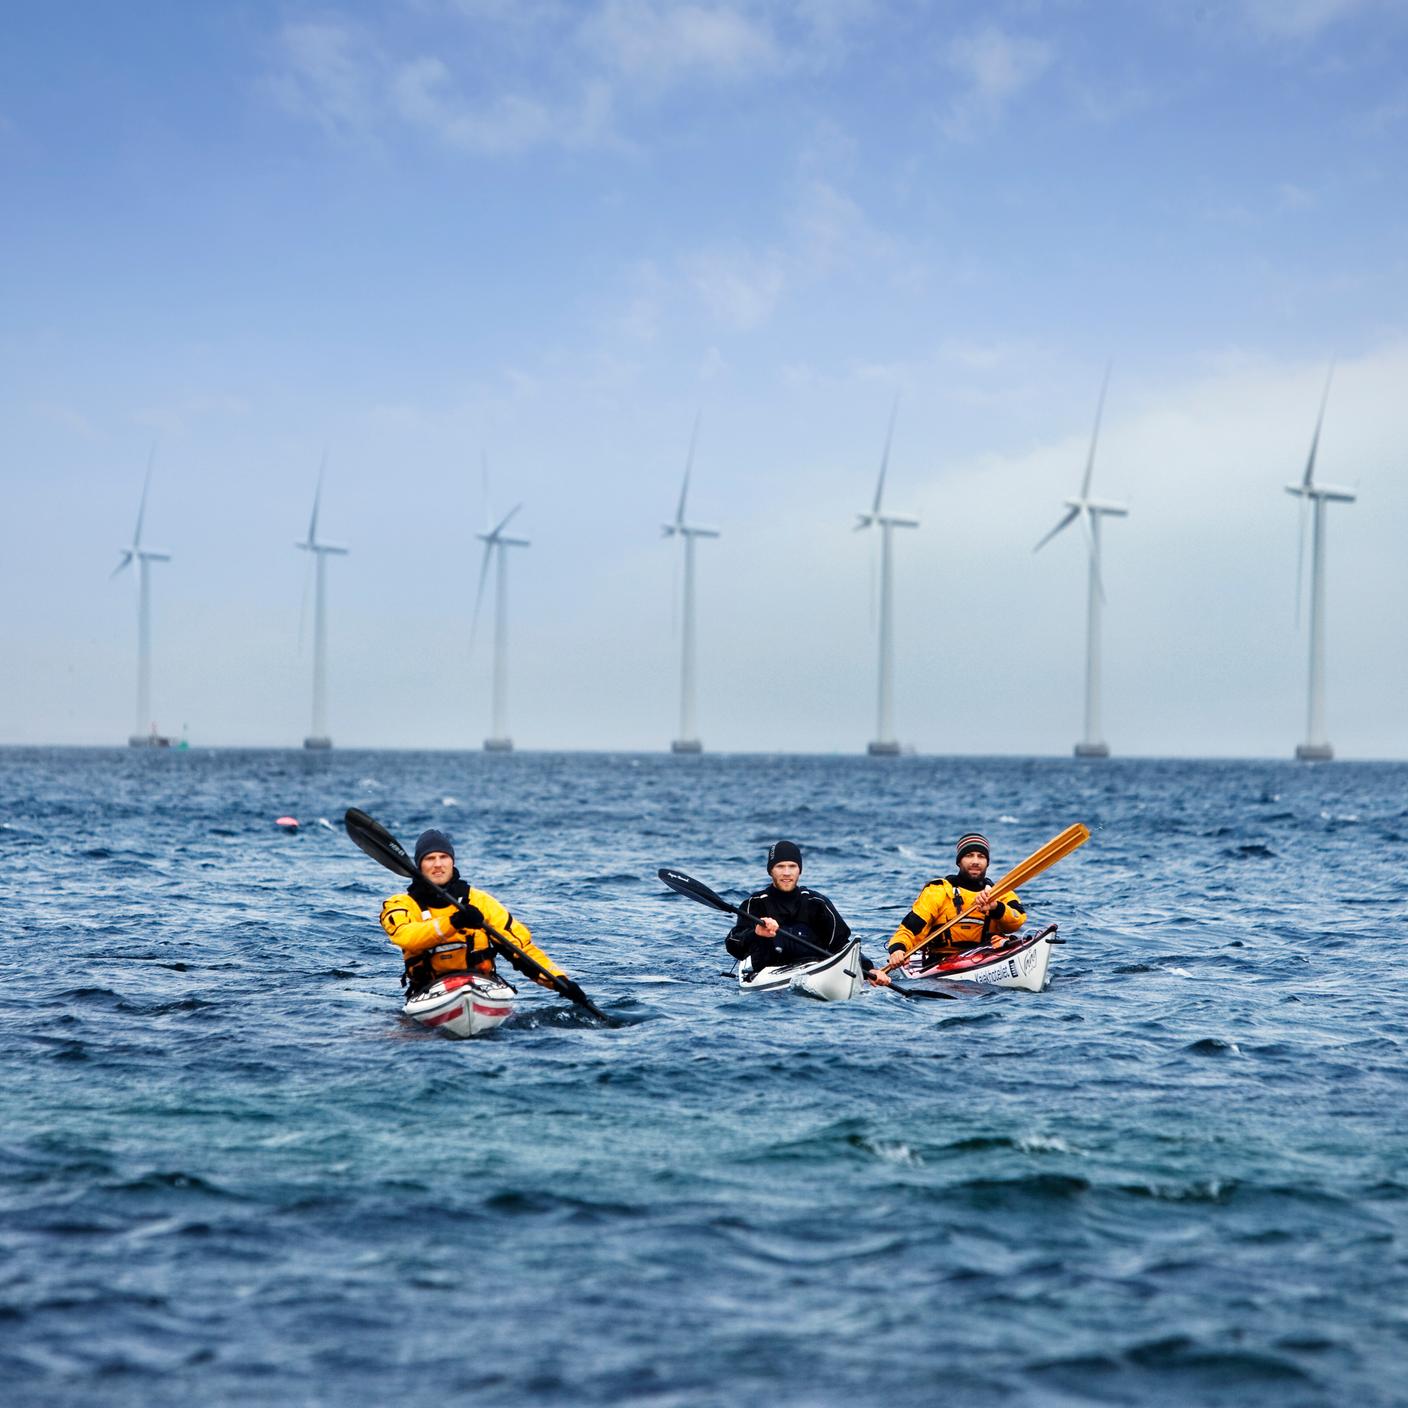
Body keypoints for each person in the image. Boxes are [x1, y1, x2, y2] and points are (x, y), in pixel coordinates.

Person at [380, 828, 569, 995]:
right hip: (429, 990)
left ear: (452, 862)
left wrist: (560, 981)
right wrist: (454, 922)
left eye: (444, 857)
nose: (438, 864)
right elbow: (407, 937)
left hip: (481, 985)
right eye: (430, 858)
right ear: (419, 865)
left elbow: (521, 948)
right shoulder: (400, 904)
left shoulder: (480, 901)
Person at [726, 840, 887, 984]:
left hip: (815, 970)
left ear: (799, 870)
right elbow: (734, 945)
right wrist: (756, 933)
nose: (787, 873)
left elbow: (841, 945)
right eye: (780, 866)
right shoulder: (755, 903)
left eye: (792, 866)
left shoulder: (816, 903)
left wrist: (869, 969)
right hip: (767, 974)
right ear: (770, 871)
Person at [882, 832, 1026, 972]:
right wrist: (898, 949)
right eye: (969, 856)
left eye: (981, 856)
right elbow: (911, 927)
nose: (975, 861)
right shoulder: (938, 891)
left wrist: (996, 907)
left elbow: (1017, 920)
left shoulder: (1002, 893)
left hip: (986, 956)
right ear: (959, 861)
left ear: (987, 862)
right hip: (940, 962)